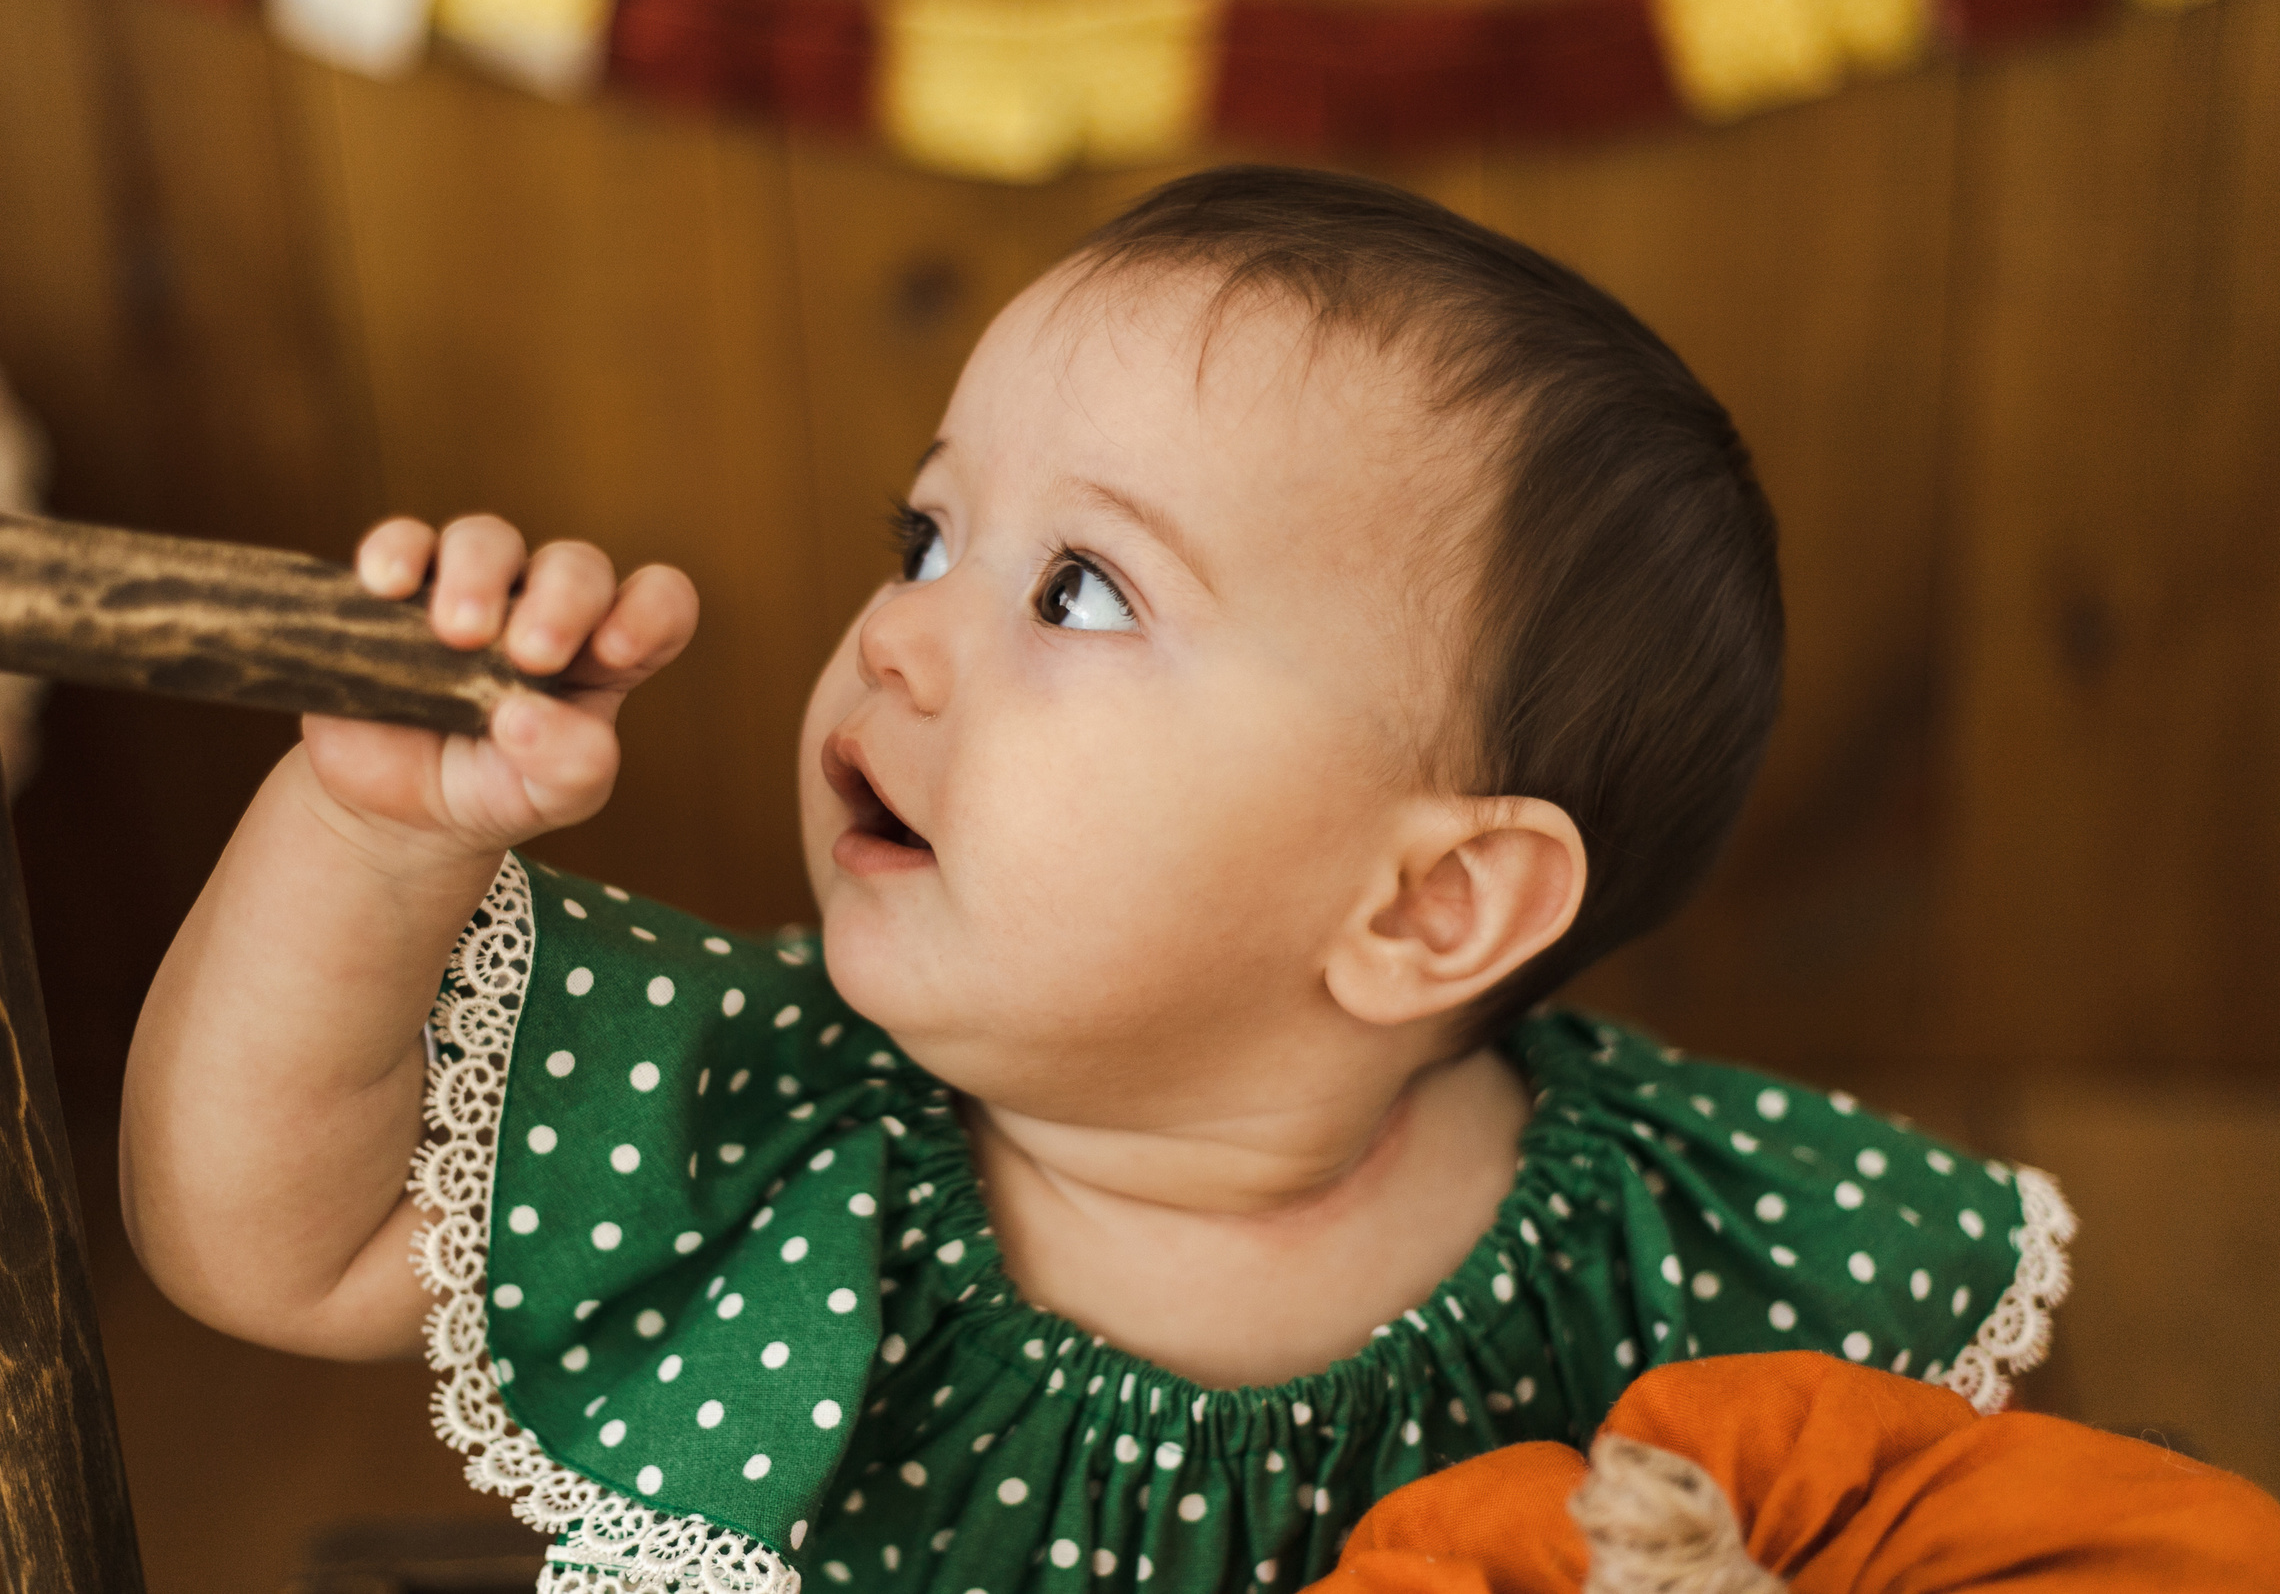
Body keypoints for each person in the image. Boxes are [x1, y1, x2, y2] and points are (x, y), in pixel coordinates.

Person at [119, 167, 2072, 1594]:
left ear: (1425, 909)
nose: (897, 632)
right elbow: (258, 1237)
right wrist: (374, 828)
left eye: (1076, 588)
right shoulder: (774, 1132)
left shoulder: (1676, 1248)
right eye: (929, 529)